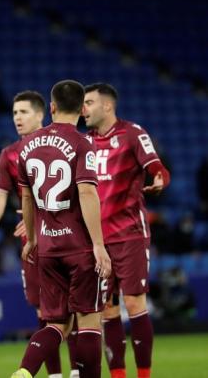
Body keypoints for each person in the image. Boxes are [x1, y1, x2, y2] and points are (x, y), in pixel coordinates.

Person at [11, 80, 112, 378]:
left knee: (56, 324)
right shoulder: (83, 144)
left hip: (48, 246)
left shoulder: (28, 145)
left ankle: (25, 372)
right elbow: (88, 193)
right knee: (89, 322)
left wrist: (31, 239)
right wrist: (98, 245)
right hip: (79, 247)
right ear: (82, 110)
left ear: (51, 107)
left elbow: (26, 197)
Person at [0, 90, 78, 378]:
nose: (17, 118)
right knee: (44, 312)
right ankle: (55, 375)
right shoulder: (10, 154)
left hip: (67, 238)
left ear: (41, 114)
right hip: (33, 245)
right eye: (14, 113)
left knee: (74, 309)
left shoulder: (64, 146)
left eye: (23, 112)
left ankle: (75, 372)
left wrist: (39, 215)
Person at [83, 83, 171, 378]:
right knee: (107, 309)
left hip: (129, 233)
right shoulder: (85, 143)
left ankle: (144, 375)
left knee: (133, 303)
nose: (83, 109)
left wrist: (159, 179)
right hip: (97, 241)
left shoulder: (133, 133)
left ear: (107, 106)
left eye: (89, 103)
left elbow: (156, 166)